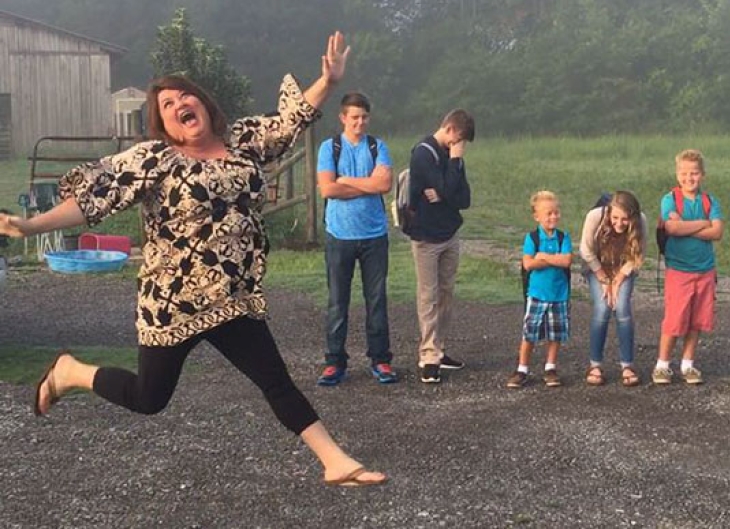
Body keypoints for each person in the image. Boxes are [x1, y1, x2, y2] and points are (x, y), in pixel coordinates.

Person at [0, 32, 386, 488]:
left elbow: (290, 121)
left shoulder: (241, 140)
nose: (179, 103)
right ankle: (70, 372)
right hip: (173, 302)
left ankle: (334, 460)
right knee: (149, 398)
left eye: (185, 95)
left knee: (275, 380)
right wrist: (30, 225)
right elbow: (92, 200)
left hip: (231, 296)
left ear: (203, 103)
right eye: (167, 105)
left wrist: (326, 80)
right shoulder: (155, 160)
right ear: (164, 124)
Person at [315, 91, 397, 386]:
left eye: (364, 117)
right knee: (338, 301)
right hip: (339, 234)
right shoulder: (329, 148)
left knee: (376, 300)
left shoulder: (377, 146)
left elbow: (385, 183)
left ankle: (381, 360)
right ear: (343, 118)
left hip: (375, 235)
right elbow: (327, 190)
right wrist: (368, 185)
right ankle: (334, 362)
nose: (359, 122)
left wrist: (346, 180)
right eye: (354, 117)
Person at [405, 109, 474, 383]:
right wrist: (453, 168)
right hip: (426, 236)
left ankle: (439, 348)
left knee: (446, 294)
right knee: (428, 296)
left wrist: (444, 193)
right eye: (460, 140)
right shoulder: (423, 153)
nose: (461, 146)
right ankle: (428, 356)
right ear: (451, 130)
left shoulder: (453, 157)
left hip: (449, 233)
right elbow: (445, 186)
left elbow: (464, 197)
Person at [653, 149, 724, 386]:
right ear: (677, 174)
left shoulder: (710, 201)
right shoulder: (670, 200)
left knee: (697, 320)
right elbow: (672, 228)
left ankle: (688, 364)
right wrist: (704, 224)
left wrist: (688, 225)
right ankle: (662, 365)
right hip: (679, 269)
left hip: (705, 270)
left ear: (702, 175)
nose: (689, 178)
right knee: (675, 319)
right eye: (684, 173)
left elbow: (718, 232)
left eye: (694, 173)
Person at [579, 190, 647, 386]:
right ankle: (595, 365)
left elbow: (639, 254)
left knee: (622, 307)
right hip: (596, 265)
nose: (619, 223)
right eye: (615, 217)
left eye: (625, 219)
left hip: (623, 266)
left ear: (632, 217)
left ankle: (627, 365)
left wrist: (618, 279)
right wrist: (604, 279)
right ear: (609, 212)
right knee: (603, 308)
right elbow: (586, 250)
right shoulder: (595, 217)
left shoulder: (641, 221)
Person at [506, 190, 573, 389]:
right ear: (537, 216)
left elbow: (567, 260)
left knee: (555, 333)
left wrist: (543, 258)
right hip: (536, 294)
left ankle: (550, 367)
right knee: (530, 333)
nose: (553, 217)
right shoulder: (532, 238)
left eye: (556, 212)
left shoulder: (563, 237)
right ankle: (522, 368)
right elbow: (528, 264)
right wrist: (552, 260)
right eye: (548, 213)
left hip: (559, 294)